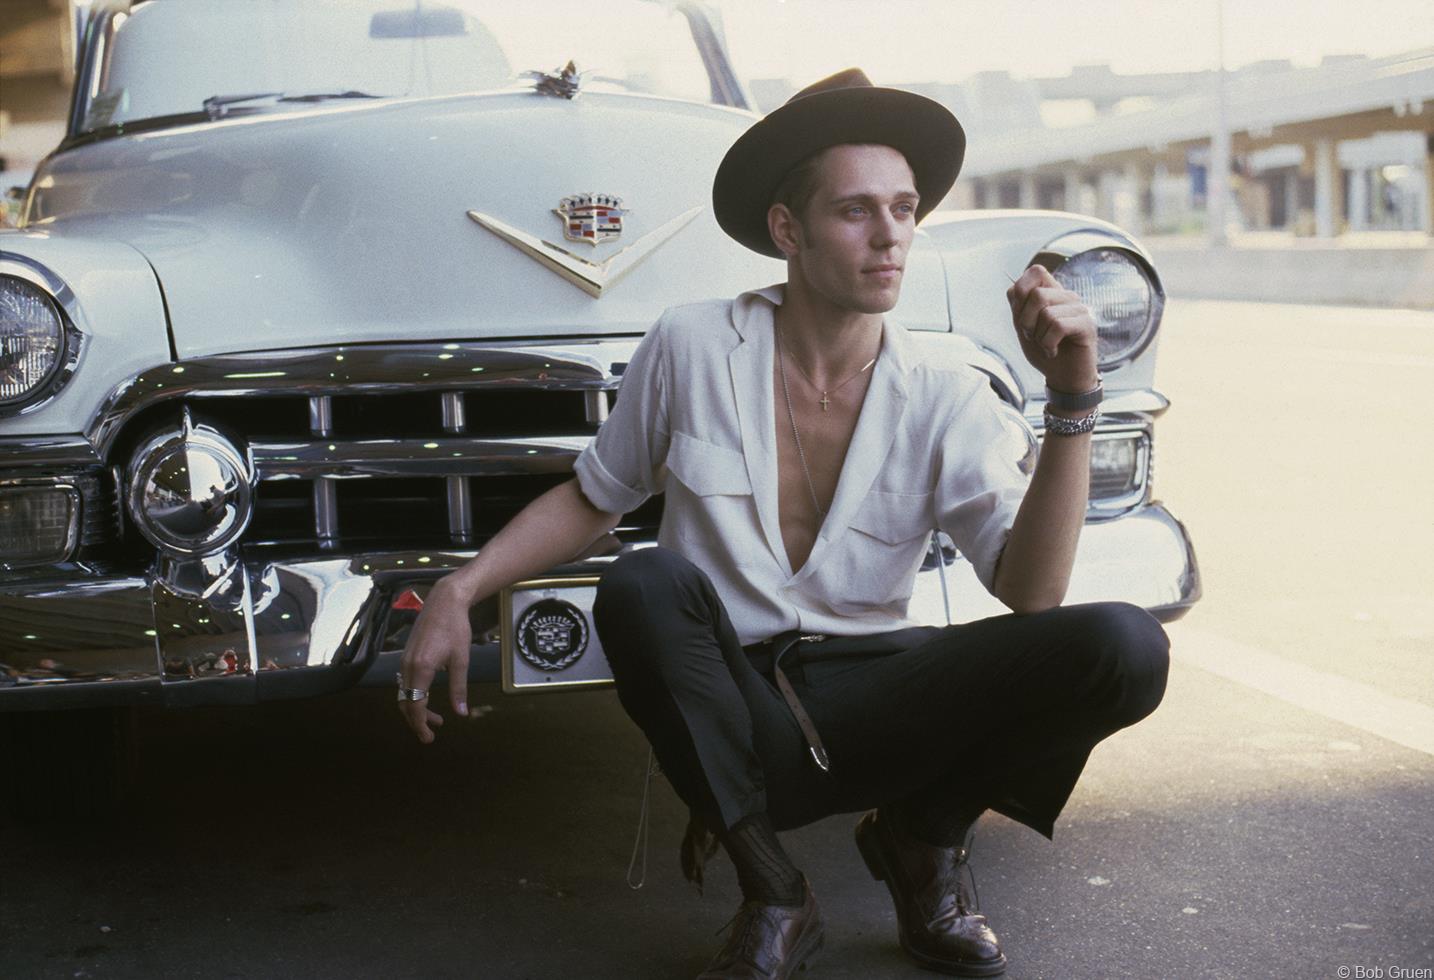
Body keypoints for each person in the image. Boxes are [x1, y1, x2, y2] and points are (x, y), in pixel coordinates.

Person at [398, 68, 1170, 980]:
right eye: (855, 211)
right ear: (787, 230)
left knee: (1124, 645)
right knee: (642, 581)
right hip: (738, 706)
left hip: (886, 696)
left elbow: (1032, 590)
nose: (890, 236)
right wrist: (462, 587)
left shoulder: (946, 389)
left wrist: (1072, 398)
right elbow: (592, 498)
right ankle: (774, 889)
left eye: (904, 208)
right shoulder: (691, 345)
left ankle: (923, 843)